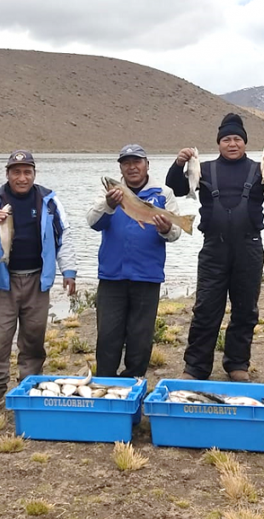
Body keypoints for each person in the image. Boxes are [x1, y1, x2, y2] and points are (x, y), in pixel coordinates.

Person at [167, 113, 264, 382]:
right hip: (213, 249)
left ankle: (237, 364)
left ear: (245, 143)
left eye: (237, 139)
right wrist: (179, 163)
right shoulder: (203, 168)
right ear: (219, 143)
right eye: (226, 139)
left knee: (245, 310)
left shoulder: (259, 169)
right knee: (205, 309)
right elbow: (175, 188)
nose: (232, 144)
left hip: (249, 248)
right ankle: (196, 367)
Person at [0, 150, 77, 412]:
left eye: (27, 172)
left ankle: (29, 385)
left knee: (33, 338)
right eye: (16, 172)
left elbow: (63, 235)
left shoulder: (48, 199)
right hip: (2, 282)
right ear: (7, 174)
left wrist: (68, 271)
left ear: (34, 174)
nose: (22, 177)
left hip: (37, 280)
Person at [87, 144, 182, 377]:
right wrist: (109, 205)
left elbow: (175, 233)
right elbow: (93, 222)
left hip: (147, 276)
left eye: (136, 162)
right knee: (108, 335)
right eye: (126, 163)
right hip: (111, 276)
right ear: (121, 168)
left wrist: (166, 228)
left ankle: (134, 381)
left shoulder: (164, 193)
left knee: (141, 337)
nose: (132, 167)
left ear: (147, 165)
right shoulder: (109, 193)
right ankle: (105, 382)